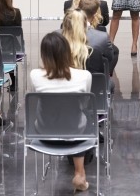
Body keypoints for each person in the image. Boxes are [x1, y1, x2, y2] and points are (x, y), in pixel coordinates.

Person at [30, 32, 93, 192]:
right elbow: (84, 103)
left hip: (43, 133)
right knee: (85, 115)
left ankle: (80, 173)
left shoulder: (35, 75)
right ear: (67, 52)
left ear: (44, 54)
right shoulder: (84, 76)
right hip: (75, 132)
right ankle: (80, 172)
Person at [78, 0, 118, 73]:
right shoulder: (102, 37)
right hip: (97, 80)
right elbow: (110, 57)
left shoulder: (60, 34)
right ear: (96, 12)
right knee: (115, 50)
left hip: (69, 76)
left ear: (79, 8)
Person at [62, 9, 104, 75]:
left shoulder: (54, 52)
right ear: (85, 27)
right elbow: (98, 81)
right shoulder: (94, 54)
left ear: (64, 26)